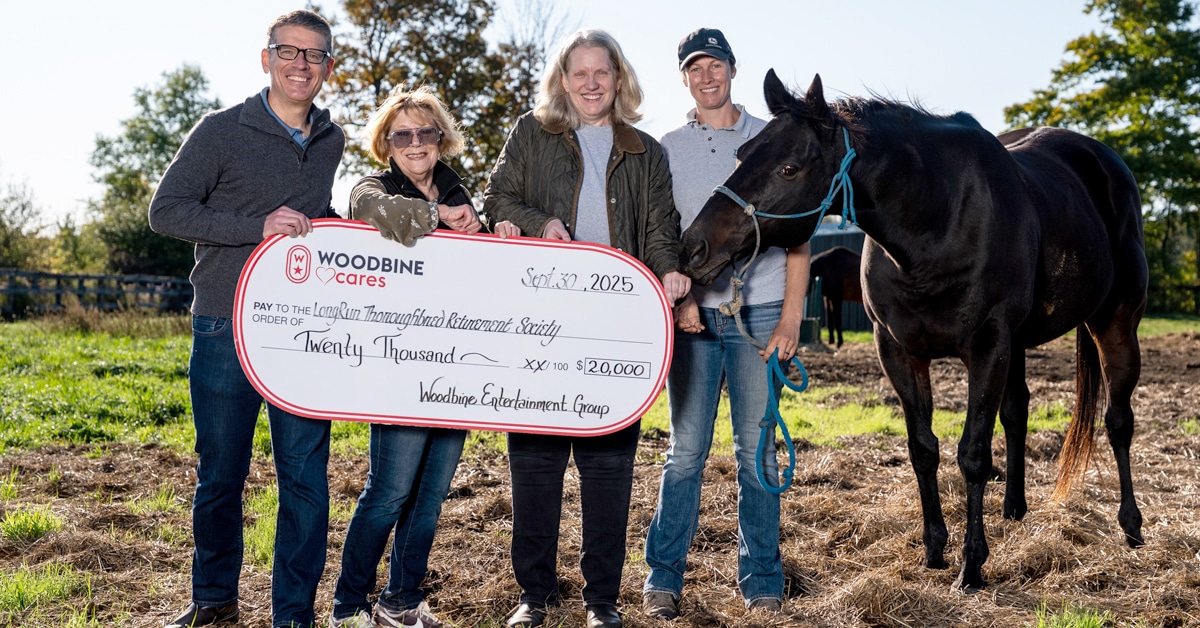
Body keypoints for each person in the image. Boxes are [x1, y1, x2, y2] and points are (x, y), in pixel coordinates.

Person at [483, 28, 690, 628]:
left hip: (614, 325)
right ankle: (535, 596)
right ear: (563, 80)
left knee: (608, 464)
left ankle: (602, 599)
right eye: (580, 73)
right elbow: (499, 199)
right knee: (536, 463)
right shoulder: (531, 132)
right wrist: (538, 220)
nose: (591, 83)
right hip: (539, 323)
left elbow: (660, 228)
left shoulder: (644, 150)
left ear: (618, 78)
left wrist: (671, 271)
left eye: (602, 72)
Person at [148, 10, 345, 628]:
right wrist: (254, 228)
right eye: (289, 52)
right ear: (266, 59)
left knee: (307, 482)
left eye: (315, 56)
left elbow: (317, 217)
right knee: (221, 477)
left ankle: (293, 613)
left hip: (302, 332)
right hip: (223, 325)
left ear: (329, 69)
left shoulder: (331, 140)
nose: (301, 65)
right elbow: (166, 210)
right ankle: (212, 600)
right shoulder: (221, 130)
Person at [326, 85, 519, 628]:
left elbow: (480, 275)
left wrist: (494, 232)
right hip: (400, 367)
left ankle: (401, 601)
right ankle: (347, 606)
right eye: (402, 134)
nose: (415, 143)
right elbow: (377, 213)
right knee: (388, 492)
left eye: (425, 132)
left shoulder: (464, 195)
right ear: (386, 142)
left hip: (455, 366)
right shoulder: (372, 189)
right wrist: (440, 215)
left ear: (441, 139)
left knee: (431, 495)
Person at [641, 28, 811, 620]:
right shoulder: (666, 147)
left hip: (760, 315)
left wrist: (791, 319)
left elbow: (798, 241)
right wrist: (680, 302)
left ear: (732, 70)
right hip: (692, 319)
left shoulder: (771, 137)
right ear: (683, 78)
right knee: (685, 452)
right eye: (694, 68)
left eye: (714, 65)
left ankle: (762, 578)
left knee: (756, 451)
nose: (706, 76)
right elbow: (661, 234)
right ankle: (663, 576)